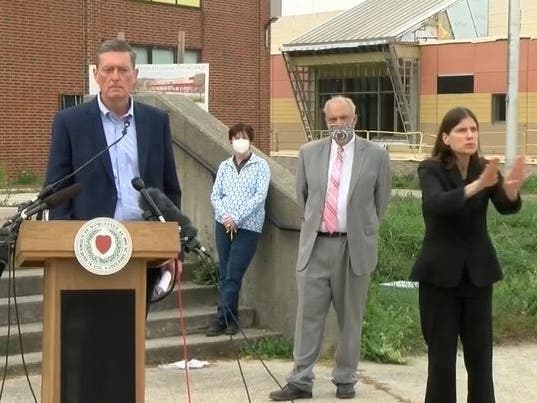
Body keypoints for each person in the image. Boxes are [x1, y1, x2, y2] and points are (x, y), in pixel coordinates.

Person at [44, 39, 181, 402]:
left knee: (128, 343)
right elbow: (56, 192)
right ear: (95, 75)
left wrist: (169, 245)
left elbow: (170, 189)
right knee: (88, 346)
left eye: (123, 70)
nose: (115, 76)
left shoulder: (155, 121)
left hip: (141, 254)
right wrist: (65, 244)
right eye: (108, 69)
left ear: (135, 76)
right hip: (86, 253)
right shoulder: (70, 122)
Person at [269, 96, 391, 401]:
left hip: (354, 248)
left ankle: (345, 378)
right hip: (316, 246)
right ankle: (300, 379)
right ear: (325, 122)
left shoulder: (375, 155)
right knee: (307, 316)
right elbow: (304, 197)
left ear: (355, 118)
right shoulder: (309, 153)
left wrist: (362, 232)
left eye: (344, 118)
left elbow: (381, 202)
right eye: (332, 120)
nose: (339, 124)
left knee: (351, 317)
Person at [410, 107, 525, 403]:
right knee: (442, 361)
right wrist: (477, 186)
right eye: (462, 130)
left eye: (473, 129)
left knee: (480, 358)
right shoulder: (431, 168)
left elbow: (505, 206)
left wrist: (510, 191)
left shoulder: (484, 167)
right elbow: (437, 204)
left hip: (478, 274)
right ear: (446, 138)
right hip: (439, 276)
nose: (470, 135)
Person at [206, 123, 270, 336]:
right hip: (222, 224)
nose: (239, 142)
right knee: (224, 272)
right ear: (230, 141)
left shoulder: (261, 166)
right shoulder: (224, 166)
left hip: (248, 227)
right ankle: (230, 319)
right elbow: (216, 195)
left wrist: (237, 218)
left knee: (234, 273)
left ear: (250, 140)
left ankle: (221, 318)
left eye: (243, 137)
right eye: (235, 138)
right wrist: (225, 217)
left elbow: (259, 197)